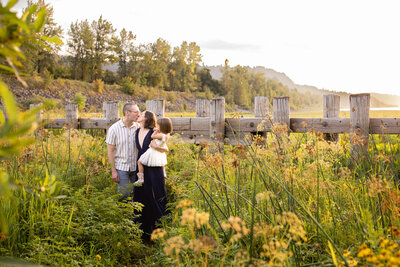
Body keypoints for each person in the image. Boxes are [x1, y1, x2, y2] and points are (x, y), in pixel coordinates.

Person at [133, 110, 168, 240]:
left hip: (154, 166)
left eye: (141, 114)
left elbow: (166, 148)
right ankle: (141, 230)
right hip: (142, 165)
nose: (138, 115)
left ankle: (160, 228)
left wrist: (156, 147)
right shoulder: (137, 131)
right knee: (141, 195)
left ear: (146, 118)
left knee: (157, 195)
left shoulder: (155, 131)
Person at [105, 103, 140, 201]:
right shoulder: (114, 129)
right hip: (121, 168)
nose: (138, 114)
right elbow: (110, 151)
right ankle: (124, 215)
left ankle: (136, 216)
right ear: (127, 113)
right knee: (124, 195)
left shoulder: (139, 127)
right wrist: (113, 171)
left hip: (136, 168)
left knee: (137, 196)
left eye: (139, 112)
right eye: (136, 112)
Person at [134, 117, 173, 186]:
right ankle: (164, 174)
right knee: (162, 163)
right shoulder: (166, 135)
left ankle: (141, 179)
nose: (157, 127)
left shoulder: (160, 135)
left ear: (162, 127)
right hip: (159, 153)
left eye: (158, 126)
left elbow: (152, 136)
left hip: (152, 151)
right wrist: (158, 129)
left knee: (139, 162)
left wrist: (155, 131)